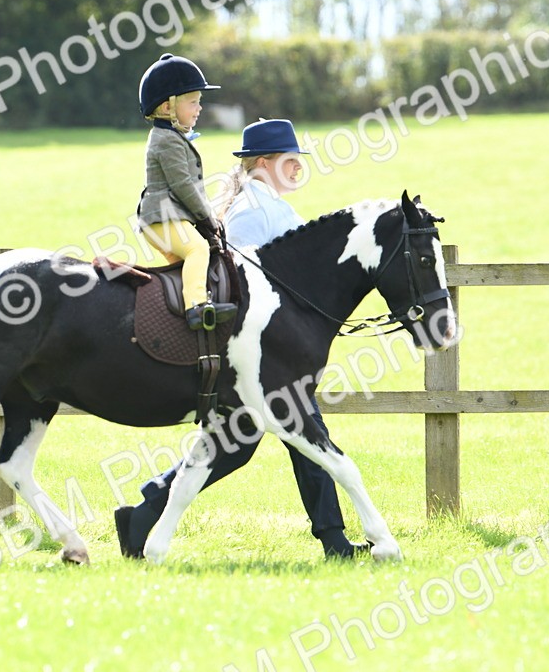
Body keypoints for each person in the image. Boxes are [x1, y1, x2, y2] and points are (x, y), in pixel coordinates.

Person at [116, 118, 369, 560]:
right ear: (264, 163)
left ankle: (144, 510)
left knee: (232, 447)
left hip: (275, 351)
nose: (297, 168)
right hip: (261, 355)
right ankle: (335, 543)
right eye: (289, 161)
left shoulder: (271, 204)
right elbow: (243, 282)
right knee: (308, 440)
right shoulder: (253, 212)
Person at [136, 53, 237, 330]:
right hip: (162, 218)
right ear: (168, 107)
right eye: (193, 102)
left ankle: (174, 314)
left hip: (168, 218)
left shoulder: (172, 136)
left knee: (184, 267)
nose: (199, 108)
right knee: (197, 249)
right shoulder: (166, 140)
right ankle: (197, 308)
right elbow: (183, 186)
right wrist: (208, 217)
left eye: (199, 102)